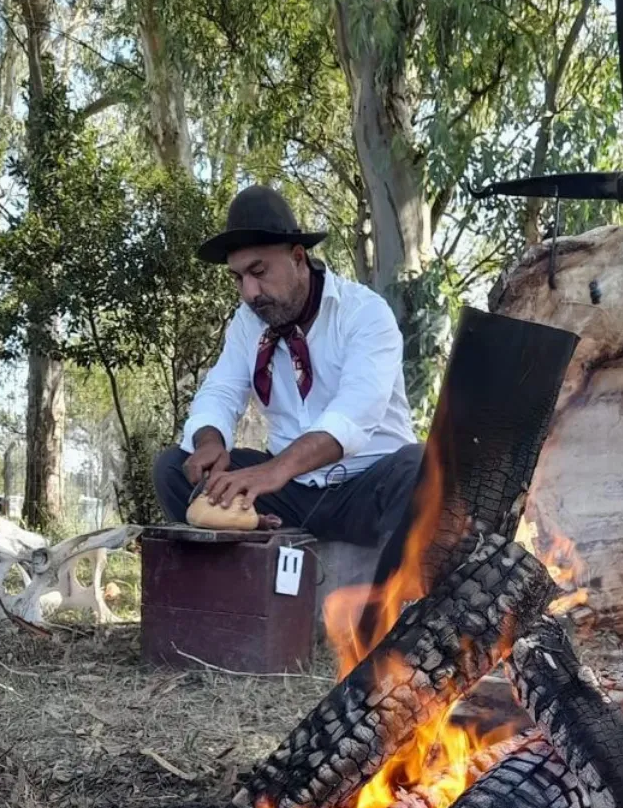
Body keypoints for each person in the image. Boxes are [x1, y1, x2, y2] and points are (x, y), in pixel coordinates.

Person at [153, 185, 424, 548]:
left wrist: (273, 471)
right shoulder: (248, 322)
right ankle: (234, 587)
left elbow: (354, 416)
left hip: (366, 490)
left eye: (259, 271)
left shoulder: (364, 313)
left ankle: (406, 604)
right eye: (238, 278)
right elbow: (221, 390)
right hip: (291, 496)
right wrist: (209, 441)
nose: (250, 292)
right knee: (173, 467)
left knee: (421, 467)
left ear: (298, 258)